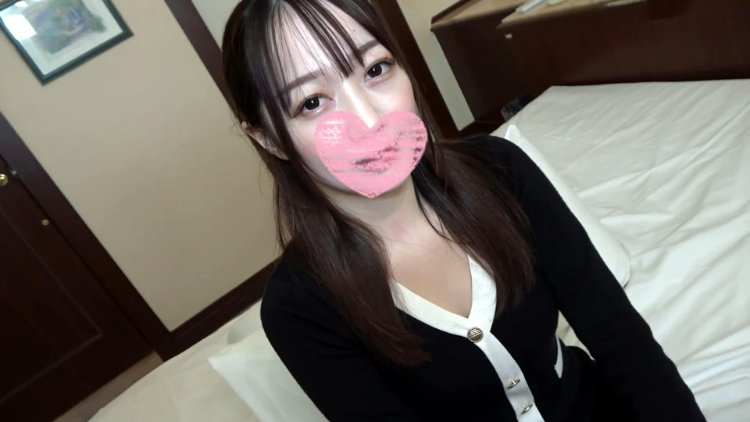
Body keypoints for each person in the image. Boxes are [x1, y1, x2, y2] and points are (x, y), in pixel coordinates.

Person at [221, 0, 706, 420]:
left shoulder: (502, 171)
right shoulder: (298, 308)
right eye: (311, 102)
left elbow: (620, 339)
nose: (370, 119)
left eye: (376, 69)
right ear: (268, 139)